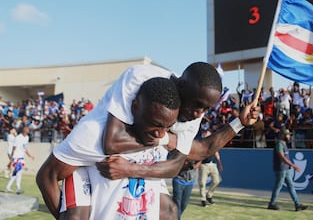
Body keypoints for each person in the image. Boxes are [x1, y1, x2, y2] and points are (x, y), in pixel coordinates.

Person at [36, 63, 259, 220]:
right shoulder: (97, 129)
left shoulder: (186, 118)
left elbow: (197, 151)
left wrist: (239, 123)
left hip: (133, 184)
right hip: (92, 178)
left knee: (170, 211)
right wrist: (167, 140)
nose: (198, 113)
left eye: (205, 109)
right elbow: (110, 144)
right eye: (195, 105)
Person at [267, 129, 308, 211]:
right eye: (287, 134)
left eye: (289, 134)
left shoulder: (284, 144)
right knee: (278, 186)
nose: (289, 136)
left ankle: (297, 204)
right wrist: (293, 165)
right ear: (282, 135)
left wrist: (290, 166)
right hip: (281, 169)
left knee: (291, 186)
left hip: (286, 169)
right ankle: (272, 203)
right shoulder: (279, 144)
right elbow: (282, 157)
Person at [4, 126, 35, 194]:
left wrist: (30, 156)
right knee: (18, 172)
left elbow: (25, 148)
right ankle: (18, 188)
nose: (28, 130)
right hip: (16, 157)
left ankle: (8, 187)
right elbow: (14, 148)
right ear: (24, 130)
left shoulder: (27, 138)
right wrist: (12, 158)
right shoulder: (18, 137)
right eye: (27, 129)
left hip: (21, 157)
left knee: (17, 173)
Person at [198, 129, 223, 207]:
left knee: (217, 180)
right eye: (205, 133)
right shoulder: (201, 143)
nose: (206, 135)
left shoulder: (214, 144)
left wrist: (220, 164)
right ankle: (203, 199)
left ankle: (209, 195)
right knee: (202, 182)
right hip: (203, 165)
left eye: (208, 134)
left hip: (213, 165)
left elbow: (216, 154)